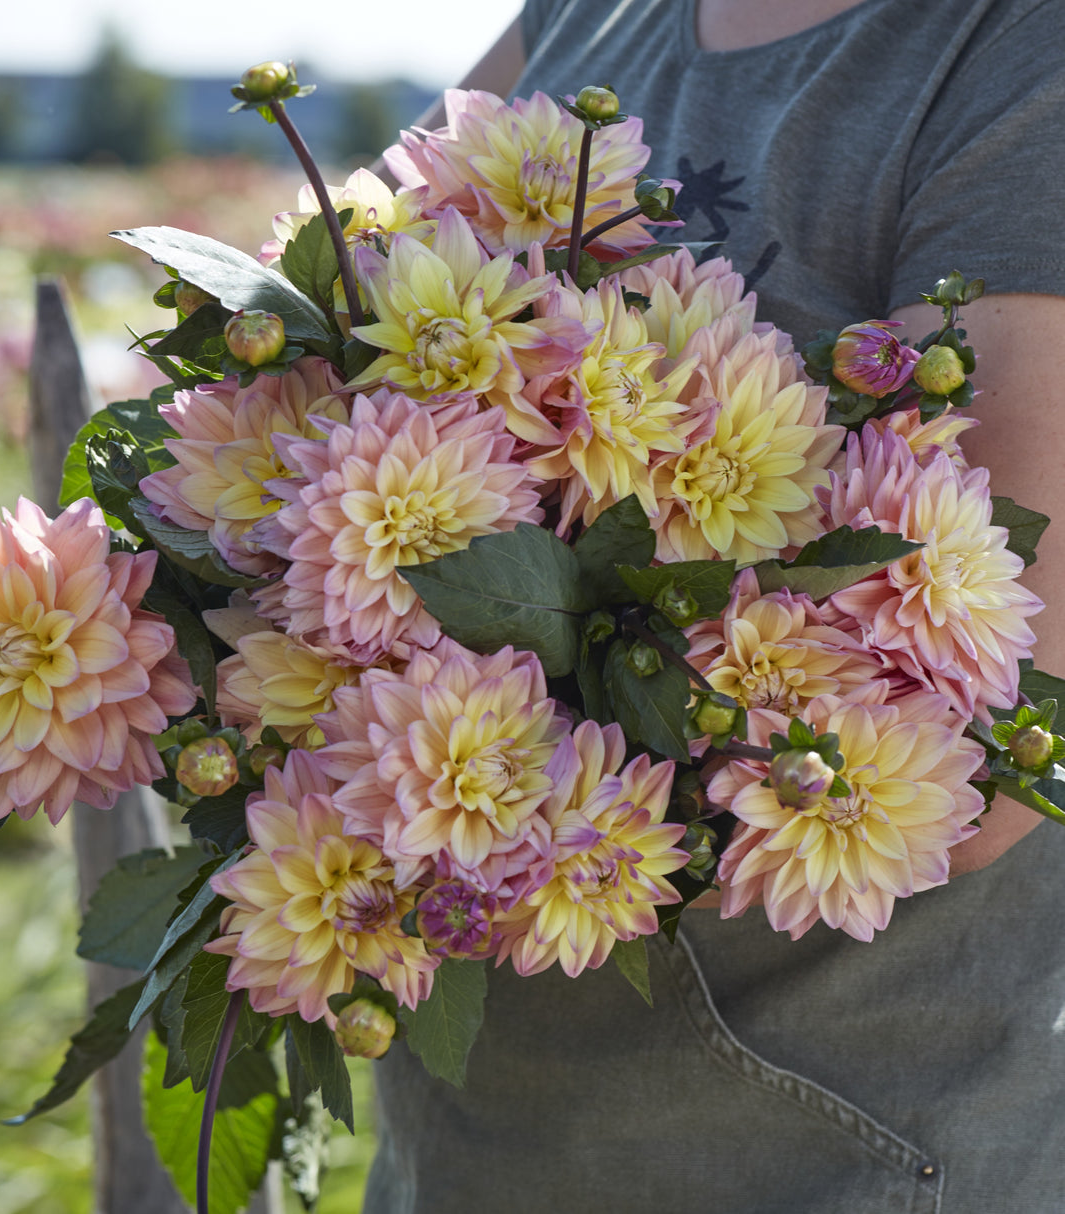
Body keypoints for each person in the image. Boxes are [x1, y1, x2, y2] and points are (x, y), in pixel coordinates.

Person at [362, 2, 1065, 1211]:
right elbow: (328, 325)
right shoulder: (588, 17)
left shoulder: (1014, 48)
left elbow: (972, 742)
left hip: (822, 1142)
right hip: (482, 1127)